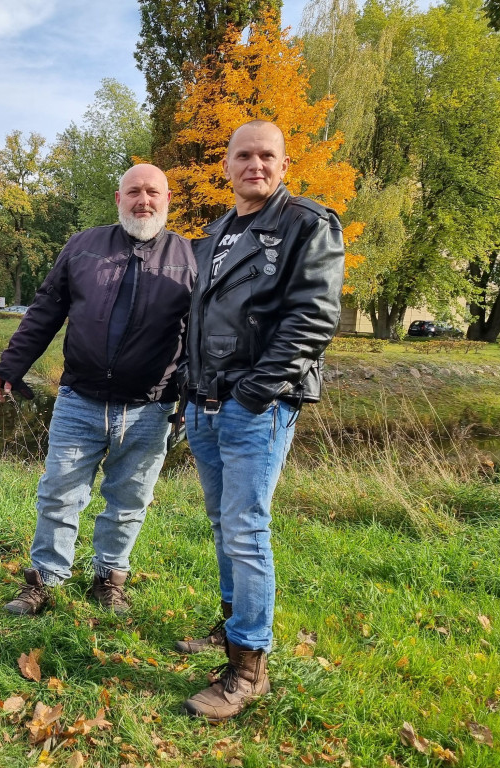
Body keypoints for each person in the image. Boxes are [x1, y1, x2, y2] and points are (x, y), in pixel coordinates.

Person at [177, 119, 345, 721]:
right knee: (225, 525)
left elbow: (315, 317)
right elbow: (198, 320)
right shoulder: (217, 232)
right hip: (206, 403)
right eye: (243, 155)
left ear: (283, 162)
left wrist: (255, 393)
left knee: (246, 528)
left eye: (266, 155)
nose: (255, 165)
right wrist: (189, 392)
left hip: (257, 404)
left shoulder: (306, 224)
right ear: (226, 165)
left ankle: (249, 668)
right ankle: (231, 630)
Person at [0, 163, 196, 616]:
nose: (144, 200)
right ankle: (45, 579)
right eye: (134, 192)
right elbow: (46, 309)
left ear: (167, 200)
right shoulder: (83, 246)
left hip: (151, 406)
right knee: (59, 494)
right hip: (79, 399)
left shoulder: (189, 258)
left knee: (128, 500)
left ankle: (110, 578)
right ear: (119, 199)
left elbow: (198, 335)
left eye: (153, 193)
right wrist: (10, 365)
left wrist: (189, 396)